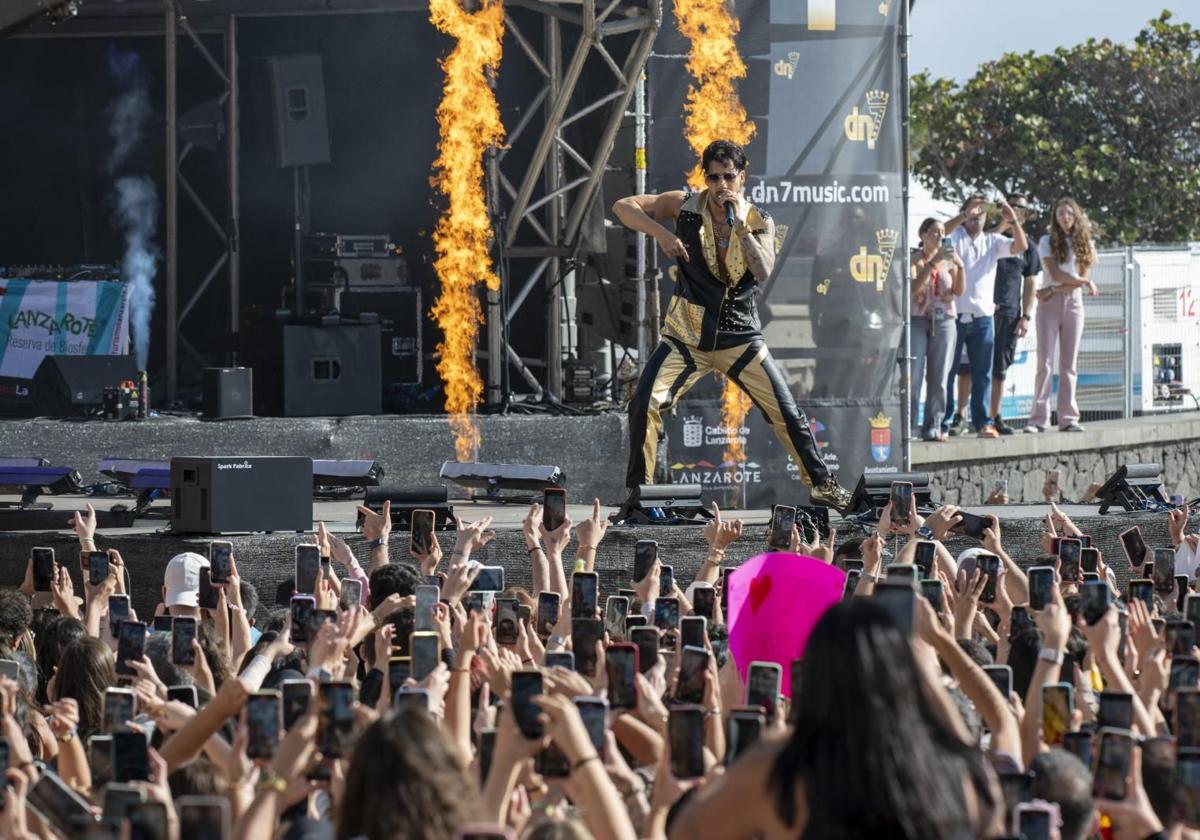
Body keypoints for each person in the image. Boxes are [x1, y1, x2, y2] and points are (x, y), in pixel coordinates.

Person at [612, 139, 851, 511]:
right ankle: (640, 496)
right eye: (713, 177)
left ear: (742, 177)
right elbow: (623, 206)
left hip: (739, 336)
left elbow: (763, 269)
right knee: (644, 401)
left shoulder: (760, 220)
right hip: (687, 336)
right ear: (704, 178)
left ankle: (822, 485)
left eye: (728, 177)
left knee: (786, 412)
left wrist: (739, 227)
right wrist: (661, 233)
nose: (721, 185)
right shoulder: (684, 205)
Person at [941, 195, 1029, 437]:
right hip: (954, 316)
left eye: (982, 210)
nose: (978, 213)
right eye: (974, 209)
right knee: (949, 372)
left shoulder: (992, 241)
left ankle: (982, 422)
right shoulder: (955, 236)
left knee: (983, 373)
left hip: (982, 318)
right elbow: (938, 236)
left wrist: (1013, 221)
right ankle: (945, 422)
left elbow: (1021, 247)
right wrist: (962, 216)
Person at [1027, 198, 1097, 433]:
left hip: (1072, 303)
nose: (1065, 217)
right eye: (1060, 213)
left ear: (1075, 216)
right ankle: (1038, 419)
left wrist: (1056, 289)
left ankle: (1068, 418)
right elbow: (1056, 273)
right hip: (1049, 305)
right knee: (1044, 363)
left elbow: (1073, 283)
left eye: (1069, 213)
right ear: (1055, 217)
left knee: (1069, 364)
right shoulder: (1047, 240)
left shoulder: (1084, 242)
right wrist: (1084, 281)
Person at [987, 194, 1042, 434]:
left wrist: (1026, 316)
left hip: (1009, 313)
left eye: (1019, 208)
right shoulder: (990, 236)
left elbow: (1030, 284)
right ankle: (961, 416)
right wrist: (1003, 223)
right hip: (982, 311)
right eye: (1009, 206)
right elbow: (978, 247)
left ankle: (994, 415)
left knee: (1000, 367)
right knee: (970, 367)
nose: (1013, 210)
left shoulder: (1029, 247)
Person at [909, 218, 964, 441]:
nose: (939, 236)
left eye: (942, 232)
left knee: (939, 376)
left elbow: (959, 290)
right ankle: (909, 427)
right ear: (922, 235)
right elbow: (913, 287)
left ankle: (933, 425)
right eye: (933, 232)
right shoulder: (913, 259)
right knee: (913, 375)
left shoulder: (948, 260)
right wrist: (933, 263)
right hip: (918, 320)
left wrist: (960, 266)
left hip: (944, 320)